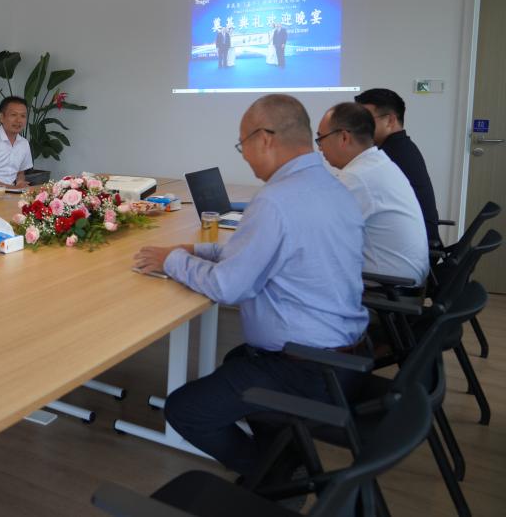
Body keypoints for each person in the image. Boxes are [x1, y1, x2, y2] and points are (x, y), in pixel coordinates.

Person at [133, 94, 368, 476]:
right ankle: (282, 451)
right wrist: (196, 249)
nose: (243, 155)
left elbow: (228, 287)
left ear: (265, 138)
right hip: (344, 355)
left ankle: (277, 478)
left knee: (185, 410)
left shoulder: (276, 200)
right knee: (236, 361)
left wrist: (172, 260)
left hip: (310, 369)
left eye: (242, 144)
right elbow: (259, 250)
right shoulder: (330, 186)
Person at [316, 102, 429, 286]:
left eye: (320, 138)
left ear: (344, 137)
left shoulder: (357, 177)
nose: (320, 148)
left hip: (386, 289)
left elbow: (316, 234)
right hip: (405, 278)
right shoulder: (378, 163)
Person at [354, 88, 441, 244]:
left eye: (366, 120)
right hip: (418, 240)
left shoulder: (388, 157)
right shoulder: (401, 147)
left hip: (414, 246)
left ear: (390, 121)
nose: (358, 128)